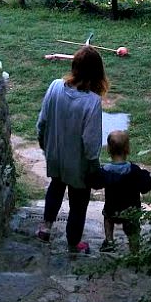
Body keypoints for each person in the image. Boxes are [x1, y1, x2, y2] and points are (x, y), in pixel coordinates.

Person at [35, 46, 107, 254]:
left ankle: (45, 228)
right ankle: (73, 243)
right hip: (78, 164)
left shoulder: (55, 86)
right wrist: (94, 168)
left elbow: (42, 121)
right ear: (97, 72)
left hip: (55, 155)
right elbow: (91, 144)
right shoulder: (92, 102)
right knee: (78, 203)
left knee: (56, 187)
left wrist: (44, 145)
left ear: (74, 66)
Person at [90, 130, 151, 252]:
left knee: (107, 218)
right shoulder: (134, 170)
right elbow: (146, 187)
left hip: (112, 209)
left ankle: (109, 240)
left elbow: (96, 184)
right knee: (133, 227)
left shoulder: (106, 171)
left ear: (108, 150)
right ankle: (134, 247)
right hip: (131, 210)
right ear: (128, 149)